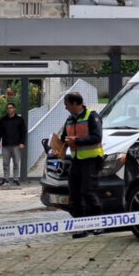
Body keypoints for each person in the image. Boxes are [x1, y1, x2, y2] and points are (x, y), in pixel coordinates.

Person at [57, 92, 105, 239]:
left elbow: (97, 137)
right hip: (76, 161)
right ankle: (81, 227)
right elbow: (64, 138)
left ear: (75, 104)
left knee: (88, 192)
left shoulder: (92, 116)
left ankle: (98, 225)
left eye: (67, 105)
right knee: (75, 193)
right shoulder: (70, 120)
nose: (66, 108)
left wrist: (77, 141)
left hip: (91, 160)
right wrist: (58, 146)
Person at [0, 103, 26, 186]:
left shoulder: (20, 120)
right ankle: (6, 179)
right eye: (8, 108)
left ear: (14, 109)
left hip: (17, 145)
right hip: (5, 145)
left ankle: (16, 178)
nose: (9, 109)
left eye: (11, 108)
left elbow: (23, 132)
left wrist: (22, 143)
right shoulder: (2, 120)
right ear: (7, 109)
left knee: (16, 163)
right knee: (5, 163)